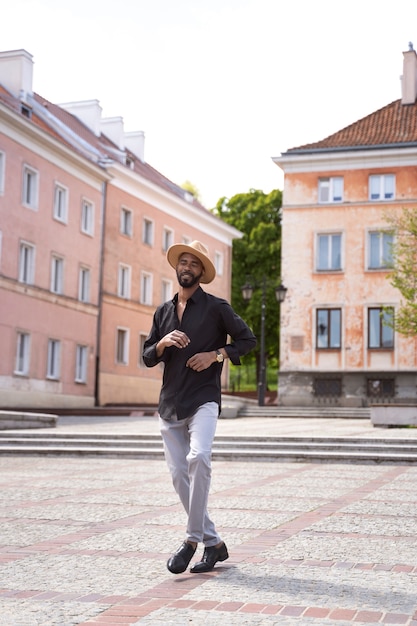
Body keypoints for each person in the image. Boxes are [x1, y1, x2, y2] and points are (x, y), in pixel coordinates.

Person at [142, 240, 256, 574]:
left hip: (204, 399)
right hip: (170, 404)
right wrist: (162, 343)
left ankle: (191, 542)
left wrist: (216, 355)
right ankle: (215, 544)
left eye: (194, 263)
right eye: (184, 262)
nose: (187, 267)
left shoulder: (217, 308)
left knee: (199, 458)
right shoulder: (163, 312)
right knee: (179, 475)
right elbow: (147, 356)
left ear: (201, 272)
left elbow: (247, 340)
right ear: (177, 268)